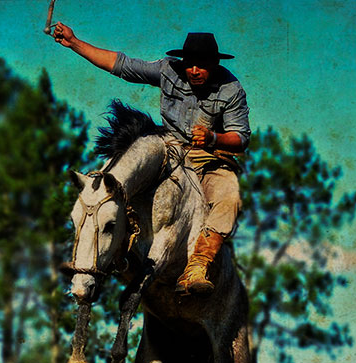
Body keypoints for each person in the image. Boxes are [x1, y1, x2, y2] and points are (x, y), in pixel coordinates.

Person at [52, 25, 251, 296]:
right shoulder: (168, 70)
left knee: (229, 196)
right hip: (170, 148)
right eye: (190, 64)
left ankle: (198, 265)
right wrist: (74, 43)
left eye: (202, 66)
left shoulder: (231, 89)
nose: (194, 71)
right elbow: (120, 64)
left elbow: (241, 137)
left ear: (215, 64)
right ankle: (98, 254)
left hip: (210, 157)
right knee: (120, 172)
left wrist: (213, 138)